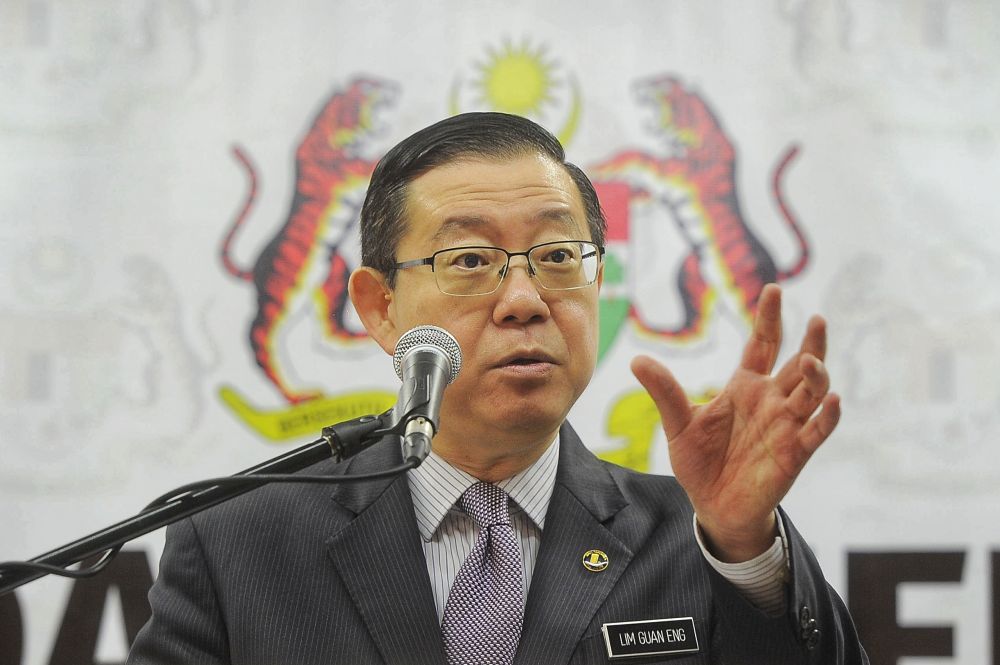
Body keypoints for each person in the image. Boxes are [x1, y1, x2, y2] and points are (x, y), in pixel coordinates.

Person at [128, 112, 869, 664]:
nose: (523, 298)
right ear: (380, 306)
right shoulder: (240, 541)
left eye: (555, 255)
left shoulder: (704, 540)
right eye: (471, 259)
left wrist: (745, 547)